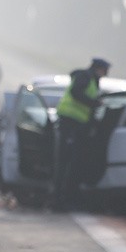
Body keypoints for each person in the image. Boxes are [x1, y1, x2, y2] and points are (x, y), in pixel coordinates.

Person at [52, 58, 111, 211]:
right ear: (99, 69)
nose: (105, 74)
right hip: (69, 123)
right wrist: (93, 103)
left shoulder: (92, 80)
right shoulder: (85, 77)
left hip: (78, 126)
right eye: (104, 71)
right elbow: (76, 92)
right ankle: (57, 200)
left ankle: (65, 198)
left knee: (72, 163)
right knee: (65, 163)